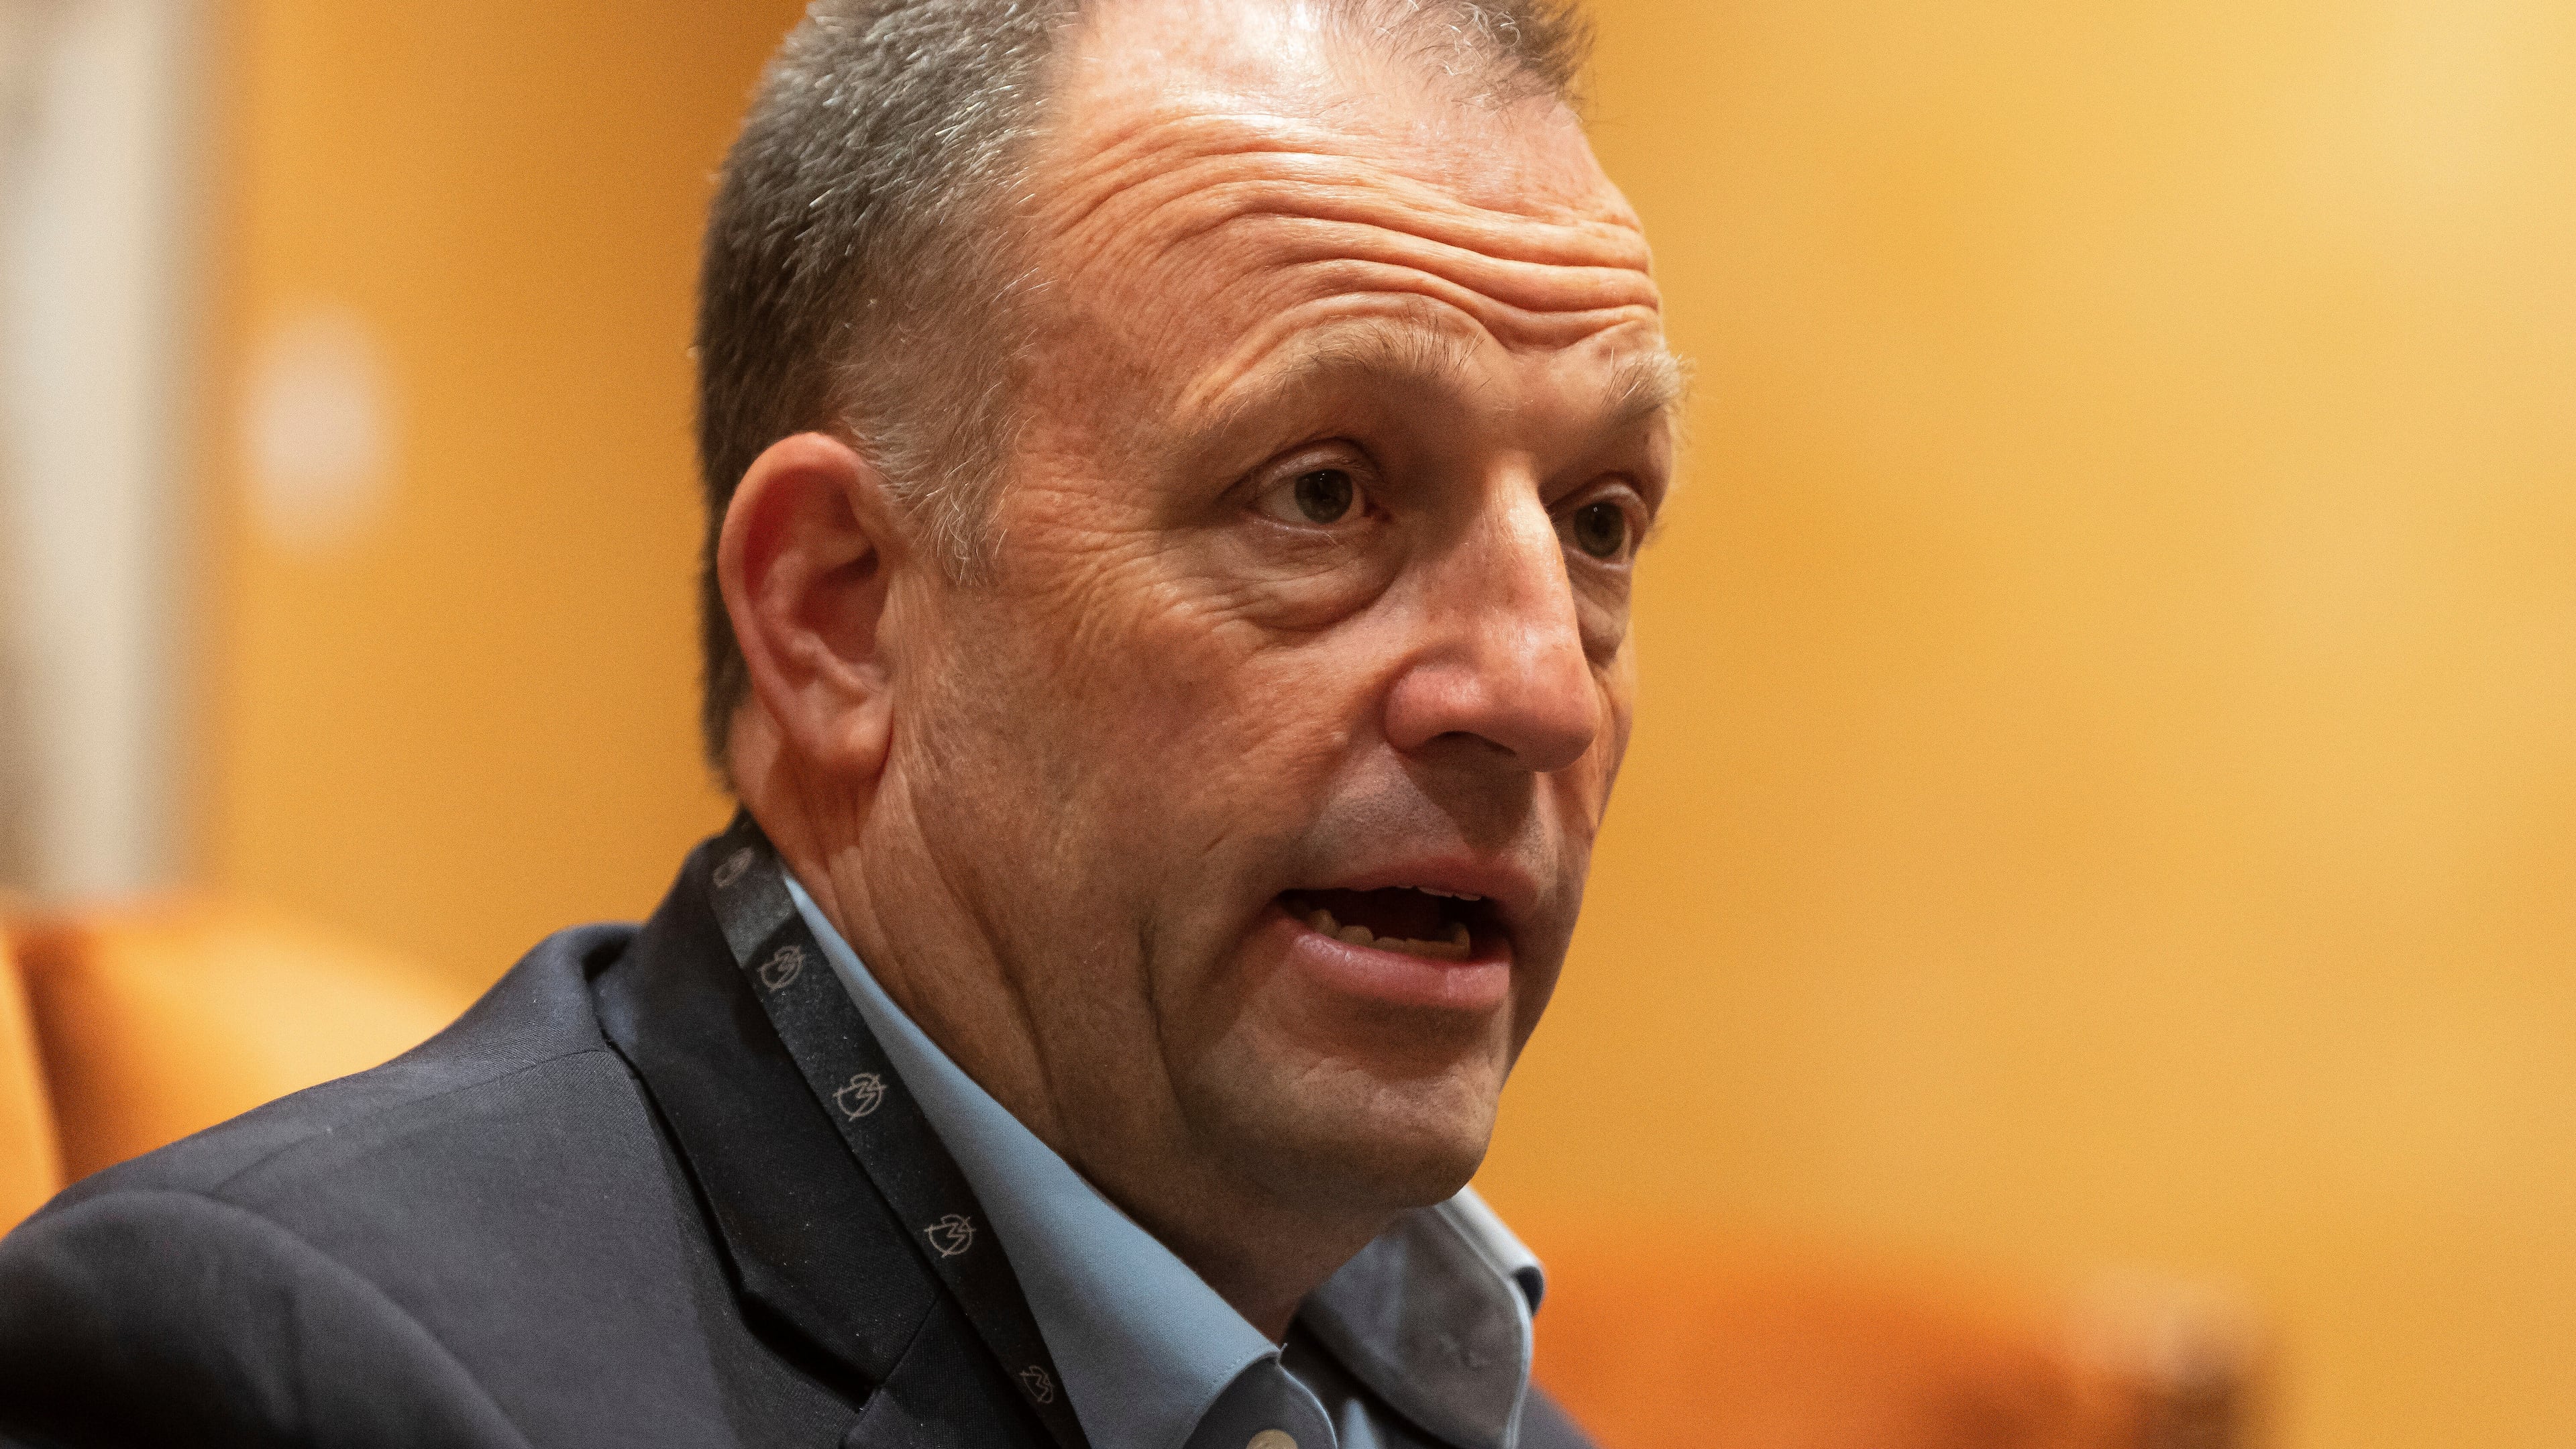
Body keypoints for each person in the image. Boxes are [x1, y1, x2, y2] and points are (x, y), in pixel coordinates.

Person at [0, 0, 1681, 1444]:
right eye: (1321, 494)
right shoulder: (272, 1374)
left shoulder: (1483, 1406)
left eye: (1600, 520)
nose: (1541, 689)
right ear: (839, 614)